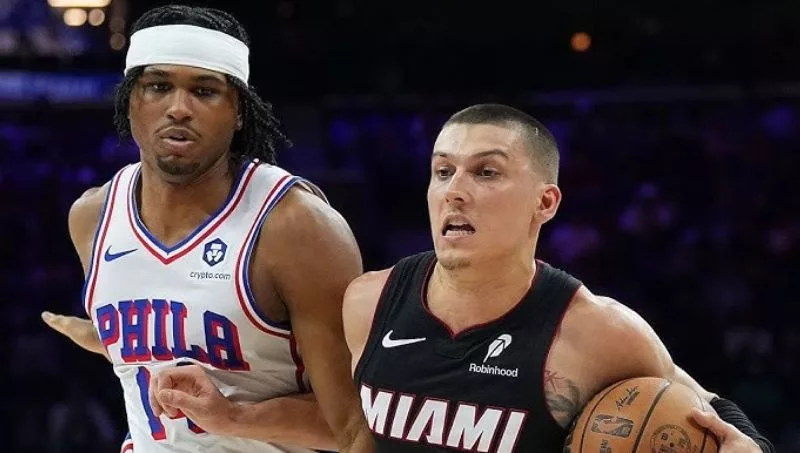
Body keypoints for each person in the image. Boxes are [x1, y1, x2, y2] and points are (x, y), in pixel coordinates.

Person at [340, 103, 776, 452]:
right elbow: (346, 428)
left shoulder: (596, 332)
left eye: (486, 172)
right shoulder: (368, 301)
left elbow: (707, 406)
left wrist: (752, 446)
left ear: (545, 203)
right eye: (443, 171)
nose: (454, 190)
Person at [41, 4, 372, 453]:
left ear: (239, 111)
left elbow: (355, 428)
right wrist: (109, 340)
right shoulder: (91, 217)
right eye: (159, 86)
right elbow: (174, 329)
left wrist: (234, 418)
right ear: (132, 100)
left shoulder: (295, 226)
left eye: (204, 91)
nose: (179, 108)